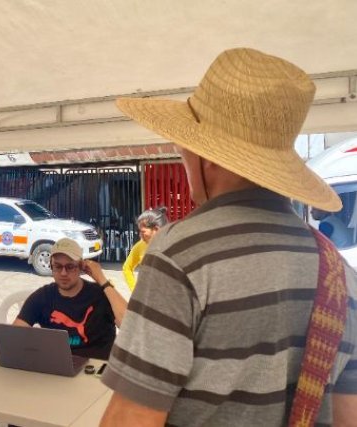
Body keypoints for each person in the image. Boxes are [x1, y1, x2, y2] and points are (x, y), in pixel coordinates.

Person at [100, 48, 357, 426]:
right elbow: (347, 416)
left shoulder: (181, 253)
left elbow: (131, 419)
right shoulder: (340, 272)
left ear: (208, 156)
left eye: (184, 144)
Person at [14, 238, 127, 360]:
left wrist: (102, 280)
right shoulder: (43, 296)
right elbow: (15, 334)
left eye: (70, 266)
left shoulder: (100, 295)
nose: (63, 273)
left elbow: (129, 325)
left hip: (95, 368)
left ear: (81, 267)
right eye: (57, 266)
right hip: (56, 365)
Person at [122, 207, 169, 291]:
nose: (140, 235)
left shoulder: (173, 244)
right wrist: (135, 290)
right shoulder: (140, 246)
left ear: (156, 229)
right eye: (139, 231)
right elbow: (127, 268)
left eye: (143, 232)